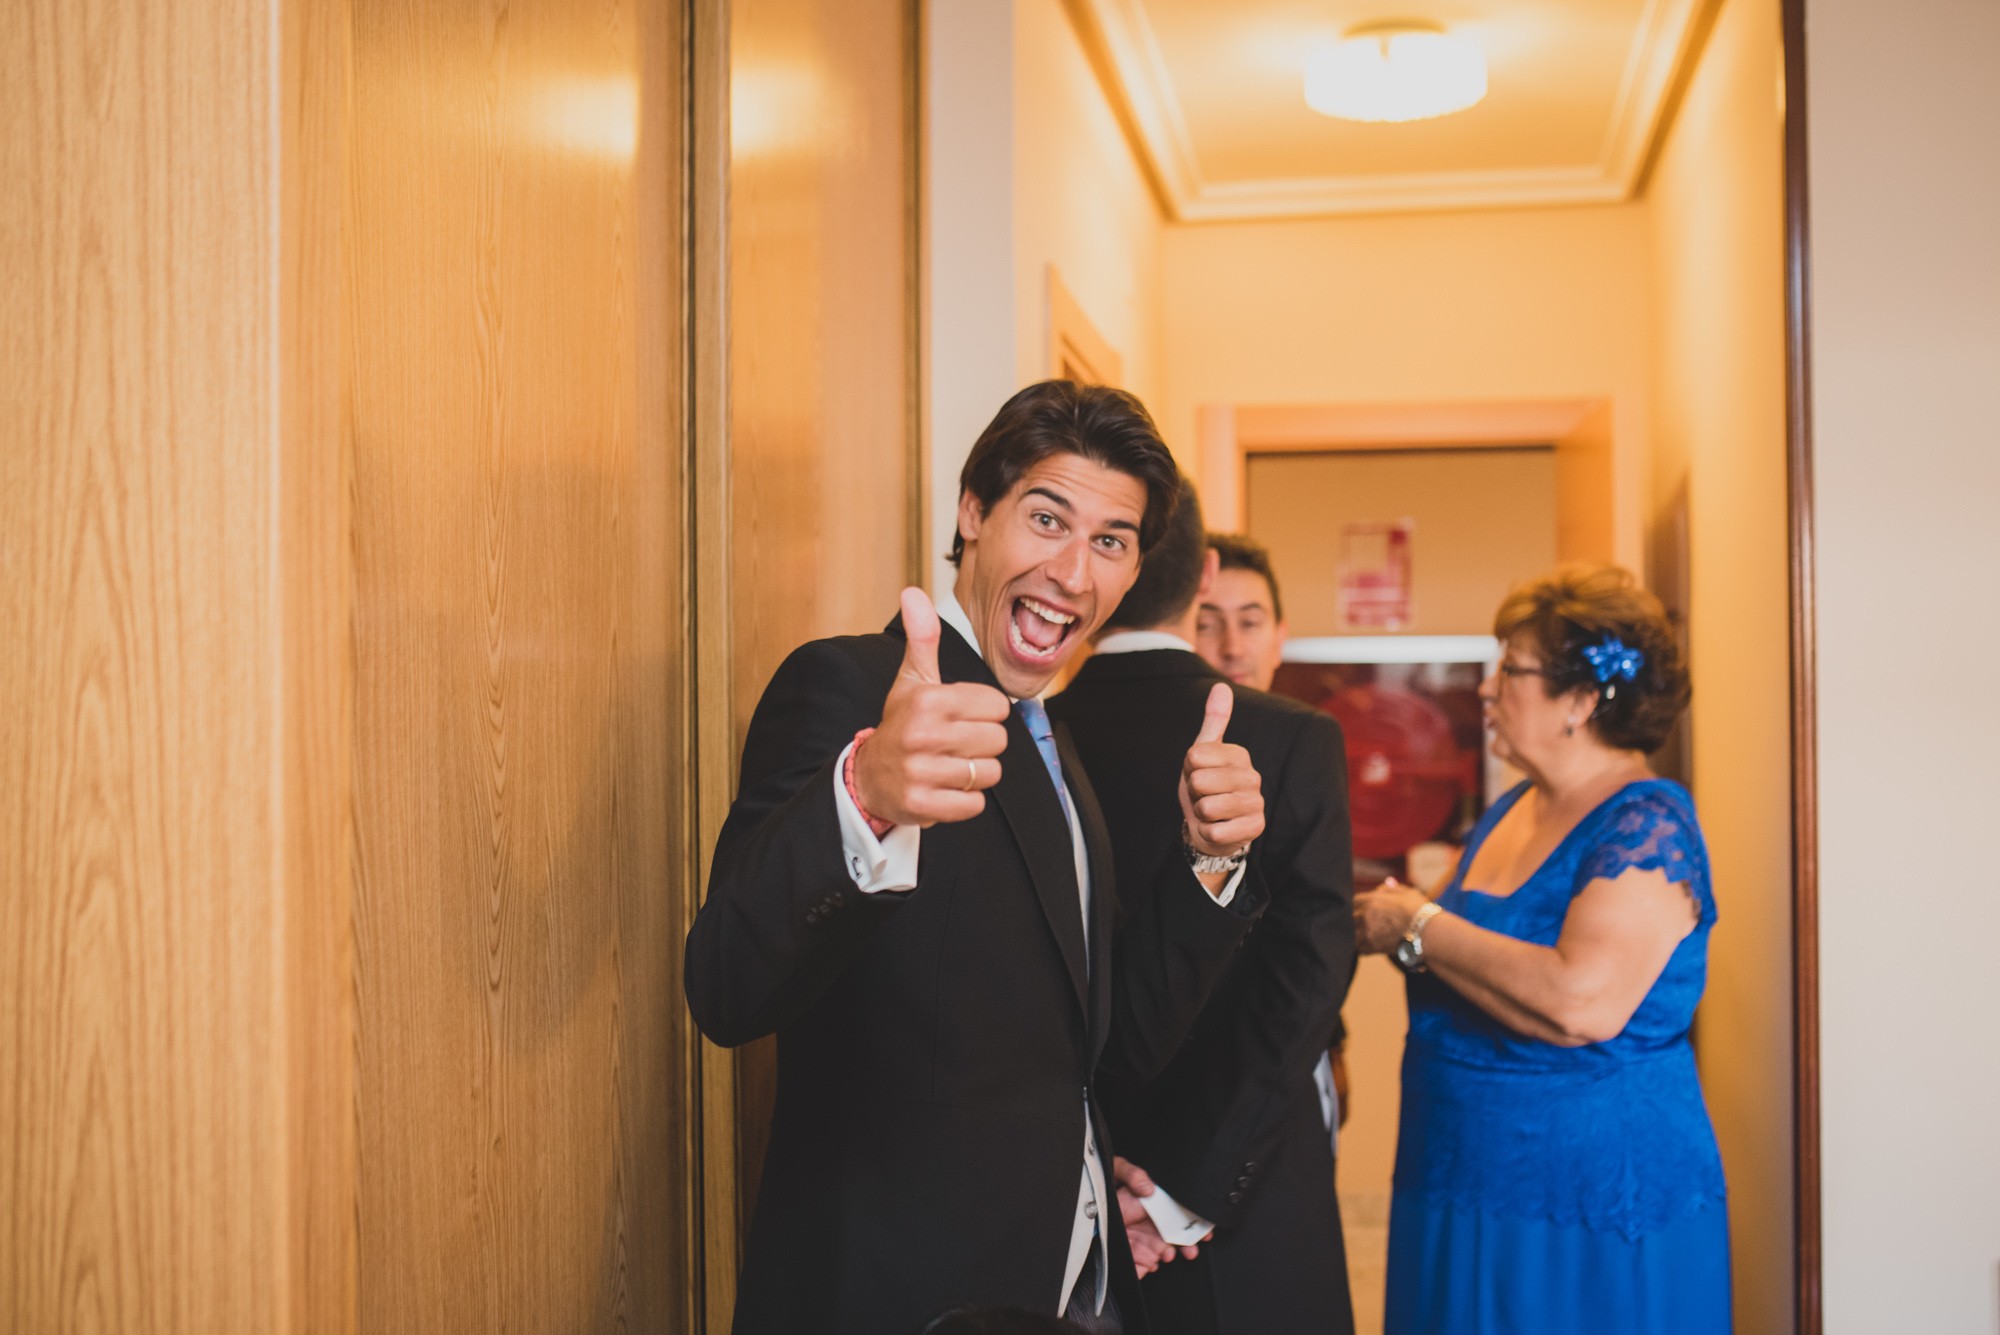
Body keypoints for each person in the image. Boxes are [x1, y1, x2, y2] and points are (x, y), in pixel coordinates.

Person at [685, 381, 1275, 1335]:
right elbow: (724, 986)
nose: (1074, 573)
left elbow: (1102, 1041)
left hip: (1068, 1285)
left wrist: (1211, 862)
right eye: (1047, 518)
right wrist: (866, 797)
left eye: (1110, 541)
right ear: (973, 513)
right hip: (898, 1296)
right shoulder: (849, 689)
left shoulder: (1055, 743)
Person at [1353, 564, 1730, 1335]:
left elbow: (1579, 1002)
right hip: (1457, 1170)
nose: (1488, 690)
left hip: (1584, 1196)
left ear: (1582, 701)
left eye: (1511, 670)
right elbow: (1469, 966)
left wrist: (1416, 924)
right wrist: (1410, 930)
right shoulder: (1513, 808)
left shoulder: (1647, 823)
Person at [1052, 483, 1358, 1335]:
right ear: (1206, 572)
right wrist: (1182, 1190)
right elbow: (1309, 976)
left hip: (1067, 1191)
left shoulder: (1029, 732)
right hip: (1247, 1186)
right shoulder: (1293, 736)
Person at [1195, 533, 1352, 1135]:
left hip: (1290, 1067)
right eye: (1208, 623)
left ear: (1281, 634)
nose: (1232, 646)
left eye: (1250, 622)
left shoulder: (1310, 744)